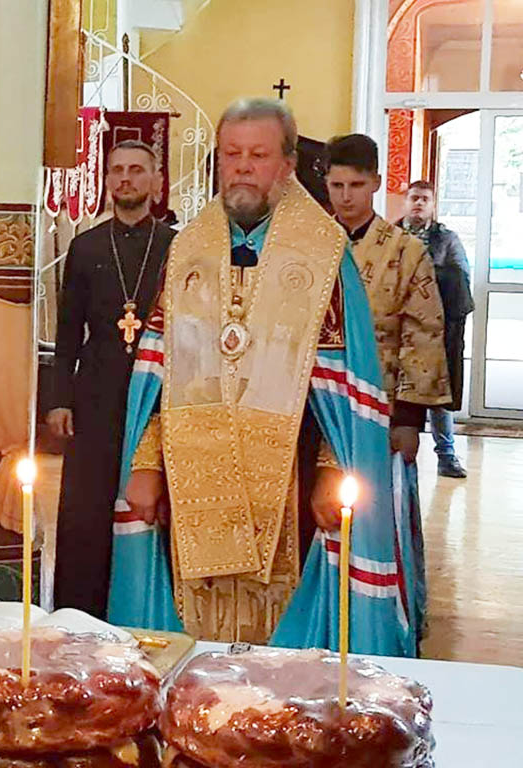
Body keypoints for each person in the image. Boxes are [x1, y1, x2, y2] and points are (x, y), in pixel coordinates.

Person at [109, 99, 419, 657]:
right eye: (232, 155)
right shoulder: (188, 250)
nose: (243, 168)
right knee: (195, 643)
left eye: (258, 155)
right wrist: (146, 462)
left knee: (284, 661)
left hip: (293, 476)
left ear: (288, 164)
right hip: (190, 478)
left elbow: (342, 386)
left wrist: (333, 471)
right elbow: (158, 374)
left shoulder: (323, 255)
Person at [324, 133, 452, 635]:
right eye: (336, 185)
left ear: (376, 183)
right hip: (319, 406)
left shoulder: (406, 251)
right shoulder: (309, 246)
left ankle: (384, 618)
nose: (346, 197)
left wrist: (409, 418)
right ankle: (325, 618)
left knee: (380, 514)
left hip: (382, 408)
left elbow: (424, 333)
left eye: (356, 185)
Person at [48, 140, 174, 617]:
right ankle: (81, 616)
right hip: (96, 393)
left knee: (150, 503)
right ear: (106, 181)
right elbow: (67, 330)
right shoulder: (86, 247)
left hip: (157, 393)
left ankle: (144, 611)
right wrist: (59, 398)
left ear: (156, 181)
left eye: (137, 170)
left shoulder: (176, 247)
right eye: (117, 170)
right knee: (87, 511)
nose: (126, 178)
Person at [399, 181, 474, 478]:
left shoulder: (446, 239)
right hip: (398, 329)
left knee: (438, 395)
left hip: (435, 329)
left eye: (424, 199)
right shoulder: (389, 235)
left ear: (432, 205)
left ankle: (447, 456)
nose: (418, 203)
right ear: (406, 202)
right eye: (414, 198)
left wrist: (425, 274)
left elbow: (460, 278)